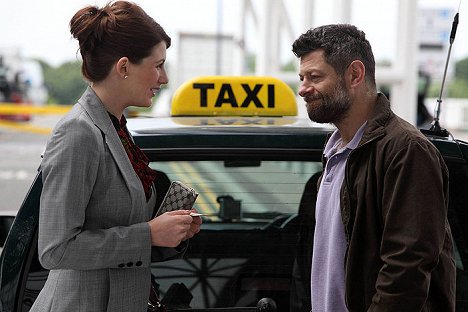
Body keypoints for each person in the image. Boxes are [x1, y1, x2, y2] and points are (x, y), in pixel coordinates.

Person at [30, 2, 202, 311]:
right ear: (123, 68)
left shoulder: (115, 128)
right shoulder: (78, 133)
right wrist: (148, 234)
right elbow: (55, 249)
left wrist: (168, 228)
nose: (163, 78)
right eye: (158, 65)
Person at [291, 24, 456, 311]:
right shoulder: (334, 153)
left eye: (315, 77)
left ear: (355, 74)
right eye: (302, 77)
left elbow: (406, 269)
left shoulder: (405, 150)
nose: (303, 89)